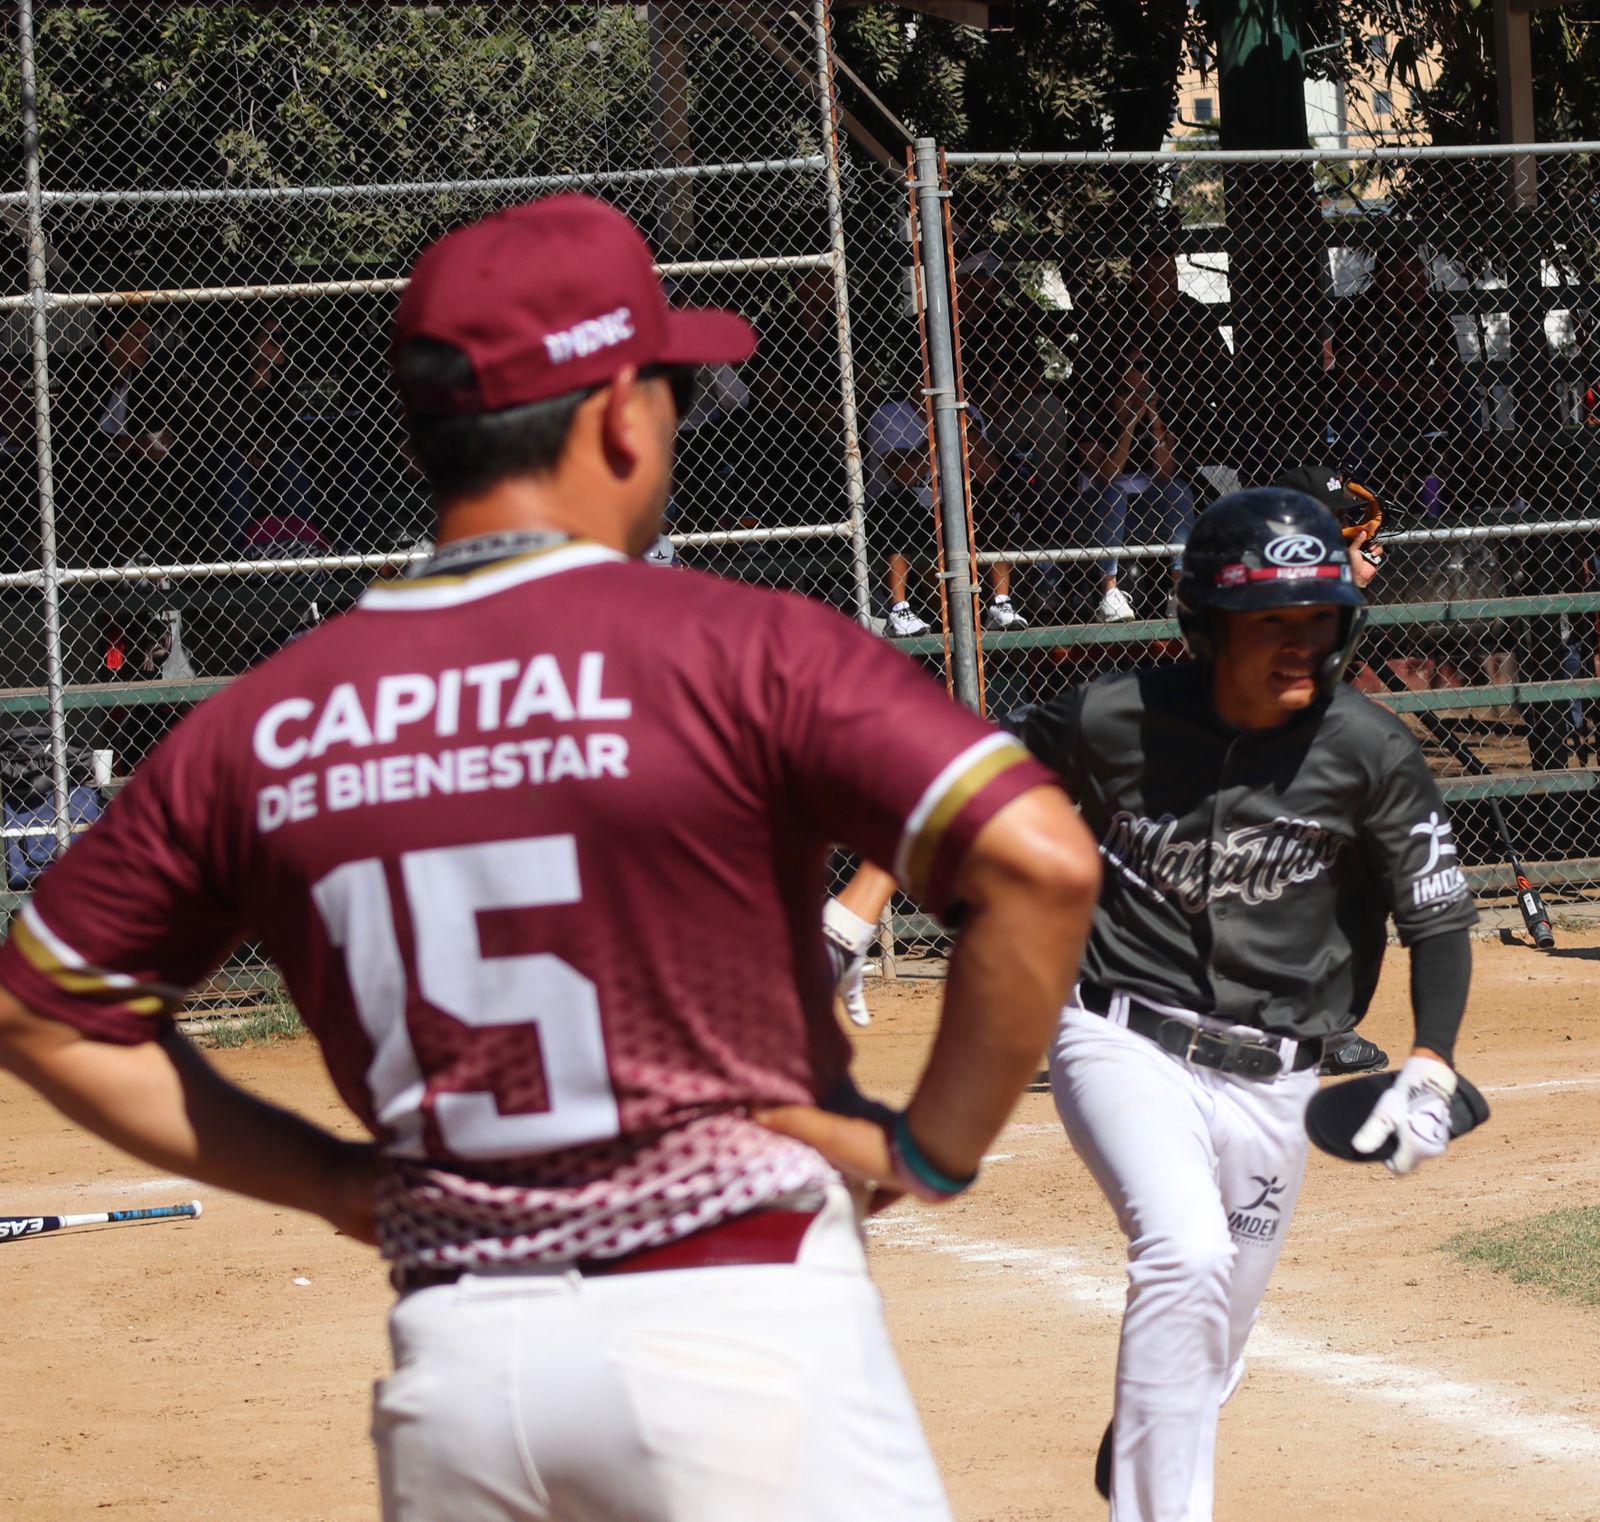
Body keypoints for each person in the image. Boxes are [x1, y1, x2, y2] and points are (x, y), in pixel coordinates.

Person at [0, 193, 1102, 1522]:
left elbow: (43, 1009)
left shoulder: (267, 719)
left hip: (460, 1376)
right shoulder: (740, 647)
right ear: (620, 414)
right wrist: (930, 1152)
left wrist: (335, 1180)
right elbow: (1041, 863)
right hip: (736, 1329)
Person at [823, 489, 1477, 1522]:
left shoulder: (1370, 749)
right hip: (1119, 1033)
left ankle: (1150, 1425)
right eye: (1270, 621)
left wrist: (1432, 1061)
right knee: (1186, 1253)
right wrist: (852, 913)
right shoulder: (1111, 717)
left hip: (1279, 1076)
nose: (1301, 644)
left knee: (1214, 1340)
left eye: (1319, 618)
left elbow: (1435, 917)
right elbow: (962, 783)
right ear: (1206, 626)